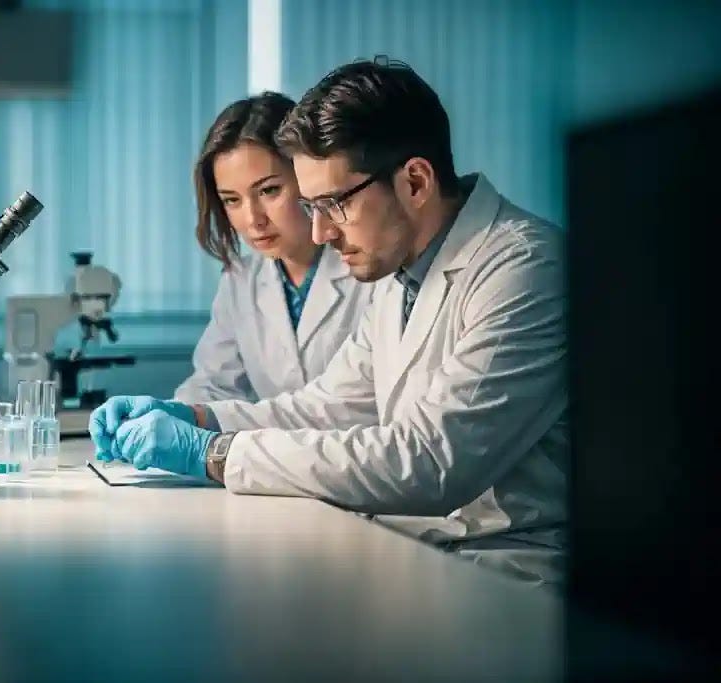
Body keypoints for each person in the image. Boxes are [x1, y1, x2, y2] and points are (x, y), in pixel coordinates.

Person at [90, 59, 568, 584]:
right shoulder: (400, 269)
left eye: (333, 205)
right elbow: (328, 407)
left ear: (414, 181)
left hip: (501, 574)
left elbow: (432, 461)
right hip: (409, 551)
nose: (319, 234)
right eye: (310, 206)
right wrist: (200, 419)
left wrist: (215, 454)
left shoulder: (526, 268)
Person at [173, 92, 374, 403]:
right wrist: (168, 415)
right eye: (232, 200)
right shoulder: (240, 279)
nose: (253, 219)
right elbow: (213, 384)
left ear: (307, 177)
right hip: (277, 451)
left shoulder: (371, 266)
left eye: (269, 190)